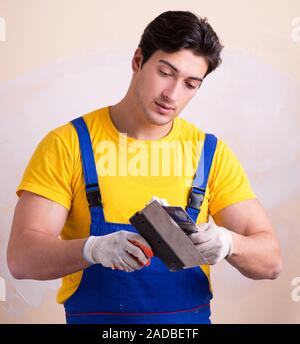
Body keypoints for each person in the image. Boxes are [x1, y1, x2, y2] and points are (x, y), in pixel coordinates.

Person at [7, 10, 282, 324]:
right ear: (138, 60)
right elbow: (21, 258)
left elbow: (271, 261)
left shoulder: (210, 154)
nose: (172, 94)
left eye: (190, 84)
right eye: (165, 72)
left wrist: (231, 244)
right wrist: (91, 249)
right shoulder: (67, 145)